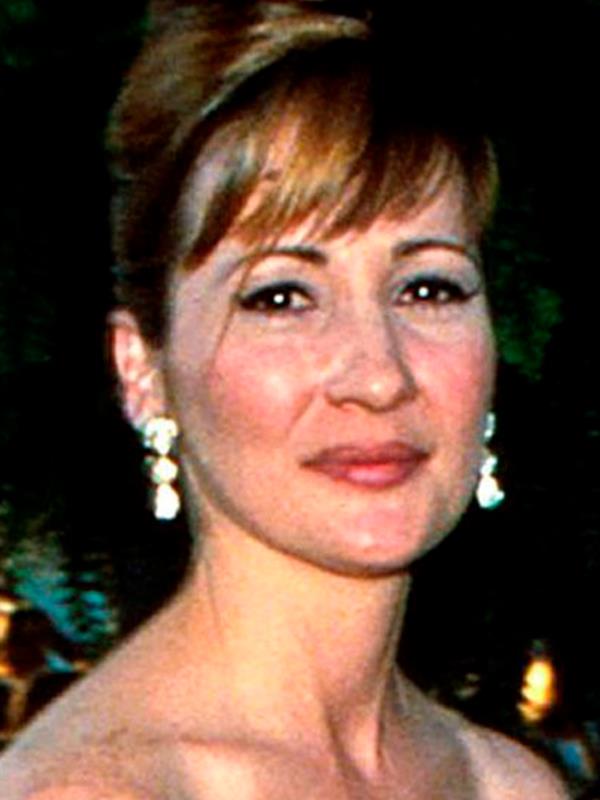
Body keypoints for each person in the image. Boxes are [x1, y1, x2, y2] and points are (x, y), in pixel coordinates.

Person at [0, 1, 569, 797]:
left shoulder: (510, 786)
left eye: (428, 287)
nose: (379, 375)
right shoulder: (91, 789)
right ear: (142, 370)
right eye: (281, 298)